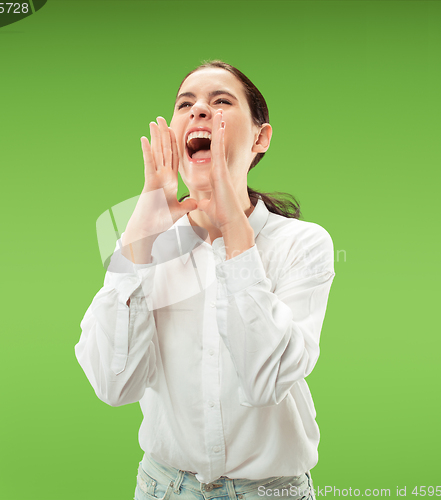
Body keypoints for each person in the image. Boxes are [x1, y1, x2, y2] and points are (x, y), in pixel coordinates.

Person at [75, 60, 336, 500]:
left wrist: (234, 231)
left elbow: (263, 382)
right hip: (162, 488)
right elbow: (113, 384)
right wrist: (139, 235)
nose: (198, 110)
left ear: (260, 137)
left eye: (220, 101)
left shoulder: (302, 244)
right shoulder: (146, 245)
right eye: (185, 103)